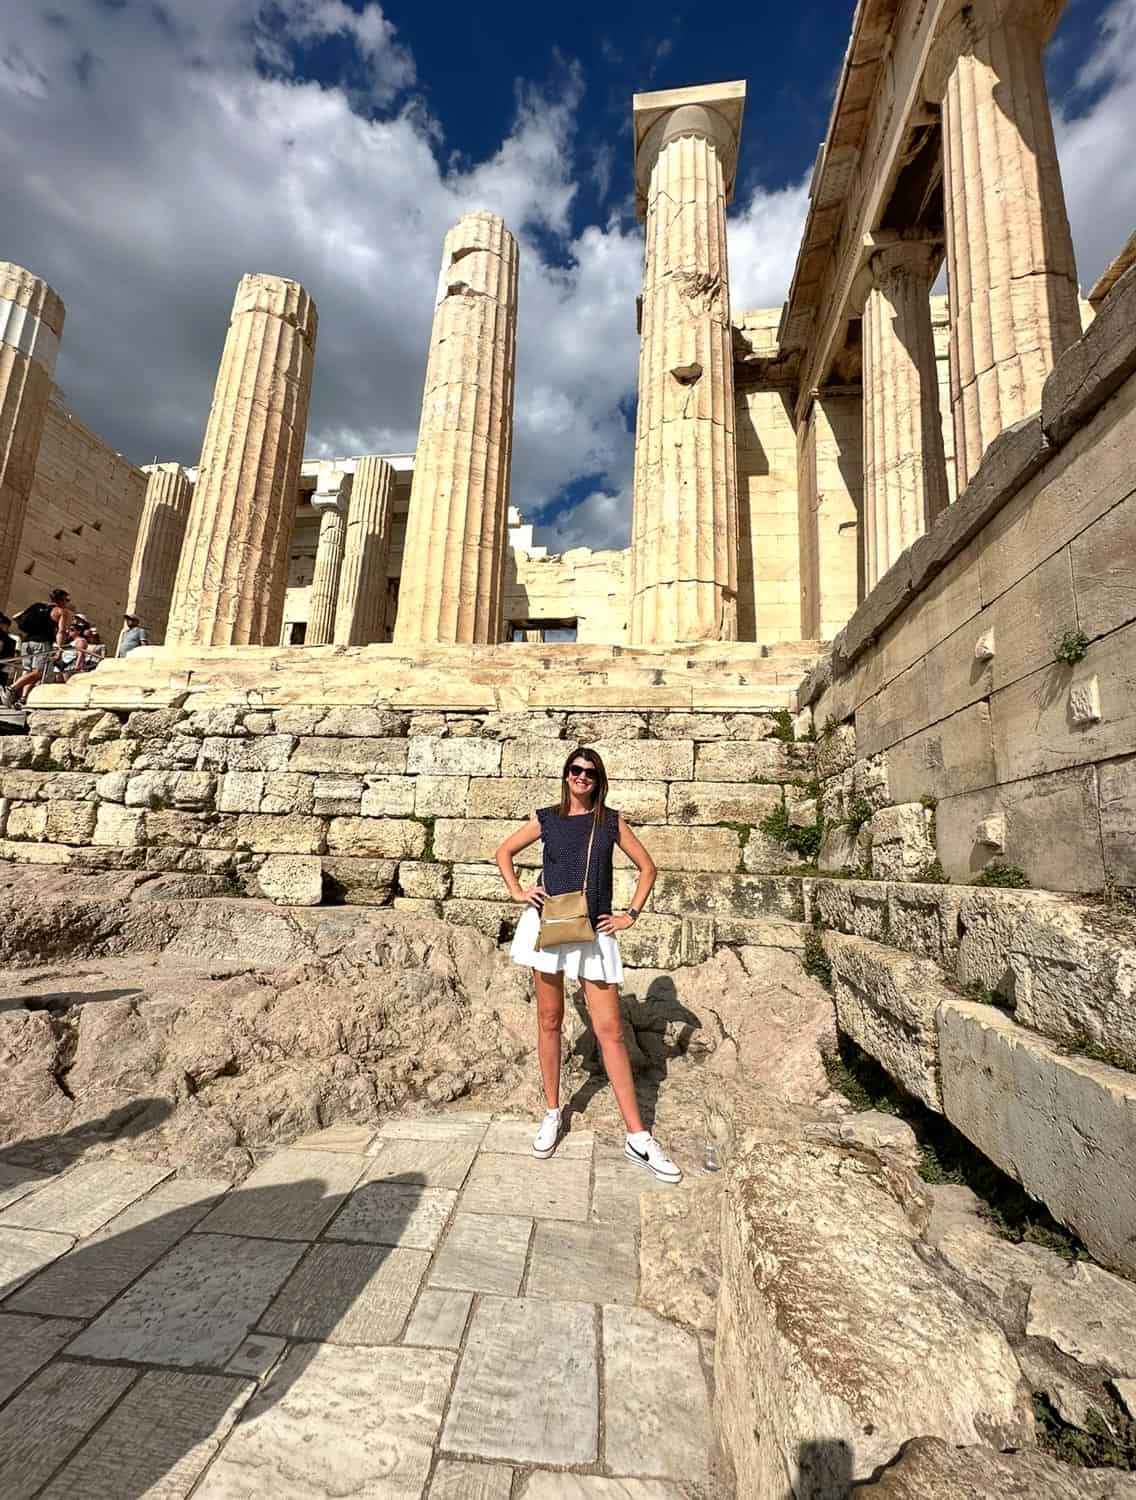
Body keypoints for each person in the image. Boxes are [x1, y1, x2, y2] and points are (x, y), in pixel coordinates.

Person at [495, 746, 681, 1182]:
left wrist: (629, 915)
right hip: (548, 924)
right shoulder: (546, 818)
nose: (581, 777)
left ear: (599, 780)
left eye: (590, 773)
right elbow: (503, 852)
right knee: (548, 1018)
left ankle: (638, 1136)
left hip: (594, 930)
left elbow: (648, 869)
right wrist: (519, 891)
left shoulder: (610, 821)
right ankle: (552, 1111)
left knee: (611, 1030)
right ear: (565, 775)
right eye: (575, 770)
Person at [8, 588, 74, 704]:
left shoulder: (37, 606)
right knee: (39, 672)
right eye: (67, 600)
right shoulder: (60, 611)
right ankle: (11, 688)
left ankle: (23, 698)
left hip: (27, 642)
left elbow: (20, 618)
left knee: (29, 672)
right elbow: (61, 631)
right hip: (42, 643)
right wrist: (59, 647)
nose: (67, 603)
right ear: (62, 600)